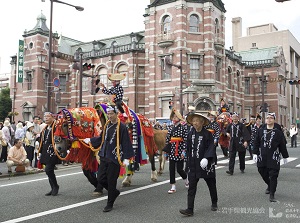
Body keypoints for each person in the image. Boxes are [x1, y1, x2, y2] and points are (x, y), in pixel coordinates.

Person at [84, 105, 134, 212]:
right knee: (101, 178)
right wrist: (90, 140)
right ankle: (114, 192)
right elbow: (101, 138)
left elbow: (126, 143)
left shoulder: (122, 127)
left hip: (115, 157)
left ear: (116, 114)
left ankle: (110, 202)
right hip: (104, 155)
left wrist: (126, 158)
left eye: (112, 114)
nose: (110, 116)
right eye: (108, 114)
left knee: (111, 181)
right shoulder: (107, 125)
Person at [179, 112, 218, 216]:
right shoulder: (191, 132)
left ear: (202, 122)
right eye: (193, 121)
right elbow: (187, 146)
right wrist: (184, 153)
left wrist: (206, 158)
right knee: (191, 187)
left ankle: (214, 202)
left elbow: (211, 147)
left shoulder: (207, 134)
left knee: (211, 184)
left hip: (205, 164)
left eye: (197, 121)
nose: (195, 123)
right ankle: (190, 209)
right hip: (193, 164)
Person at [253, 112, 289, 202]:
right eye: (267, 118)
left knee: (273, 175)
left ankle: (272, 193)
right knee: (261, 171)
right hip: (262, 156)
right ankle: (269, 185)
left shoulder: (278, 133)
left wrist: (285, 156)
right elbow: (256, 142)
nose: (269, 119)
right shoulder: (261, 130)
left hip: (273, 156)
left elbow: (282, 145)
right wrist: (255, 153)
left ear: (274, 120)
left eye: (271, 118)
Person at [164, 108, 188, 194]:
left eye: (176, 117)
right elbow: (167, 139)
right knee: (171, 169)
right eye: (173, 117)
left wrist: (184, 151)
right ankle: (173, 186)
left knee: (180, 169)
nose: (174, 118)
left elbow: (185, 140)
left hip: (180, 149)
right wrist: (166, 152)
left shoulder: (183, 128)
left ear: (179, 118)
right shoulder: (170, 128)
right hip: (172, 150)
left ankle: (186, 179)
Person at [38, 112, 60, 196]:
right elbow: (42, 141)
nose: (46, 118)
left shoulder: (56, 127)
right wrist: (40, 152)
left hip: (53, 151)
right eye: (45, 116)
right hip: (45, 151)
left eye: (48, 116)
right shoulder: (45, 128)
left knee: (48, 169)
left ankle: (55, 186)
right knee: (48, 170)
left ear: (52, 118)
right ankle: (53, 187)